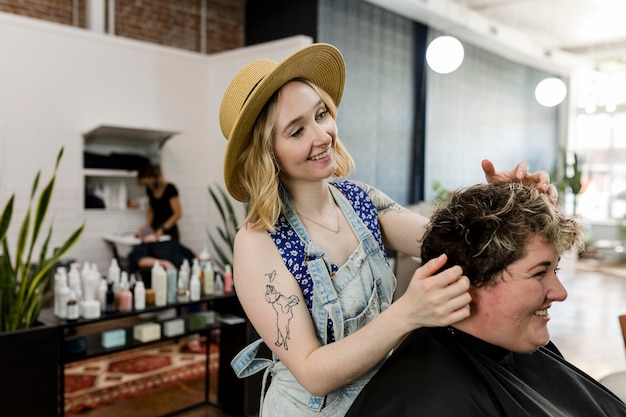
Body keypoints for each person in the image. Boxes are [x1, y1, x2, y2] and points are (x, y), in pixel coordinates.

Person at [218, 43, 556, 416]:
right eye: (297, 131)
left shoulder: (362, 202)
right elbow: (313, 372)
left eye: (320, 114)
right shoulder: (259, 242)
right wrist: (408, 313)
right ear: (267, 153)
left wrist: (507, 201)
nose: (322, 135)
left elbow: (458, 246)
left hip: (384, 400)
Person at [346, 183, 626, 417]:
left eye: (556, 269)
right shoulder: (432, 399)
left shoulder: (512, 343)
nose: (560, 292)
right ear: (465, 282)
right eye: (540, 273)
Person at [136, 163, 182, 242]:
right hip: (155, 228)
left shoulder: (170, 189)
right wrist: (147, 228)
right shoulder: (150, 190)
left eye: (147, 183)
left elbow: (177, 213)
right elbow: (151, 211)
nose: (146, 185)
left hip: (169, 229)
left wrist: (163, 228)